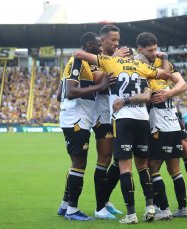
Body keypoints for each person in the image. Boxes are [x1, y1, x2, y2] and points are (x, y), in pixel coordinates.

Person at [74, 46, 172, 224]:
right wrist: (164, 57)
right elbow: (166, 74)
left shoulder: (111, 61)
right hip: (142, 120)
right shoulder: (142, 67)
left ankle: (131, 215)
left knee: (125, 168)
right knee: (143, 166)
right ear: (133, 57)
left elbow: (78, 54)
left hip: (122, 119)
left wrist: (108, 56)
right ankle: (150, 207)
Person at [136, 32, 187, 213]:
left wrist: (169, 93)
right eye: (150, 50)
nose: (154, 53)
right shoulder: (136, 65)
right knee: (152, 163)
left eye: (156, 49)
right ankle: (158, 205)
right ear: (140, 50)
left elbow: (182, 84)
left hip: (170, 114)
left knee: (185, 151)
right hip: (150, 117)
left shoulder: (164, 63)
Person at [57, 32, 117, 221]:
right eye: (99, 45)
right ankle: (72, 211)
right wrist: (99, 87)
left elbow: (59, 94)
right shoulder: (79, 62)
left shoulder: (74, 63)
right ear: (89, 46)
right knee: (79, 163)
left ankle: (65, 205)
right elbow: (70, 92)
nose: (101, 48)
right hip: (76, 118)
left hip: (75, 117)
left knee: (78, 162)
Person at [91, 25, 130, 218]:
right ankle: (99, 209)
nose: (117, 43)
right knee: (105, 158)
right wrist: (115, 60)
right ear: (103, 41)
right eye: (113, 40)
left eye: (118, 40)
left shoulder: (118, 58)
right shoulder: (96, 59)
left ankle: (104, 200)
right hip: (103, 116)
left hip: (119, 115)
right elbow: (98, 79)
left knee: (119, 158)